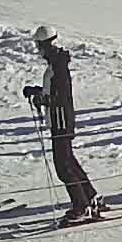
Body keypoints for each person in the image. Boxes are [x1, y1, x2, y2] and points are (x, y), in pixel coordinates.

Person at [26, 27, 102, 223]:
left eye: (39, 46)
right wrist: (36, 91)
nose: (38, 50)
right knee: (69, 161)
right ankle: (90, 196)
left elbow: (60, 97)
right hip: (60, 120)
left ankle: (81, 206)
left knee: (63, 166)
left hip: (61, 121)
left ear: (45, 45)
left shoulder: (58, 67)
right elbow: (52, 91)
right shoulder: (56, 64)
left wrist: (41, 100)